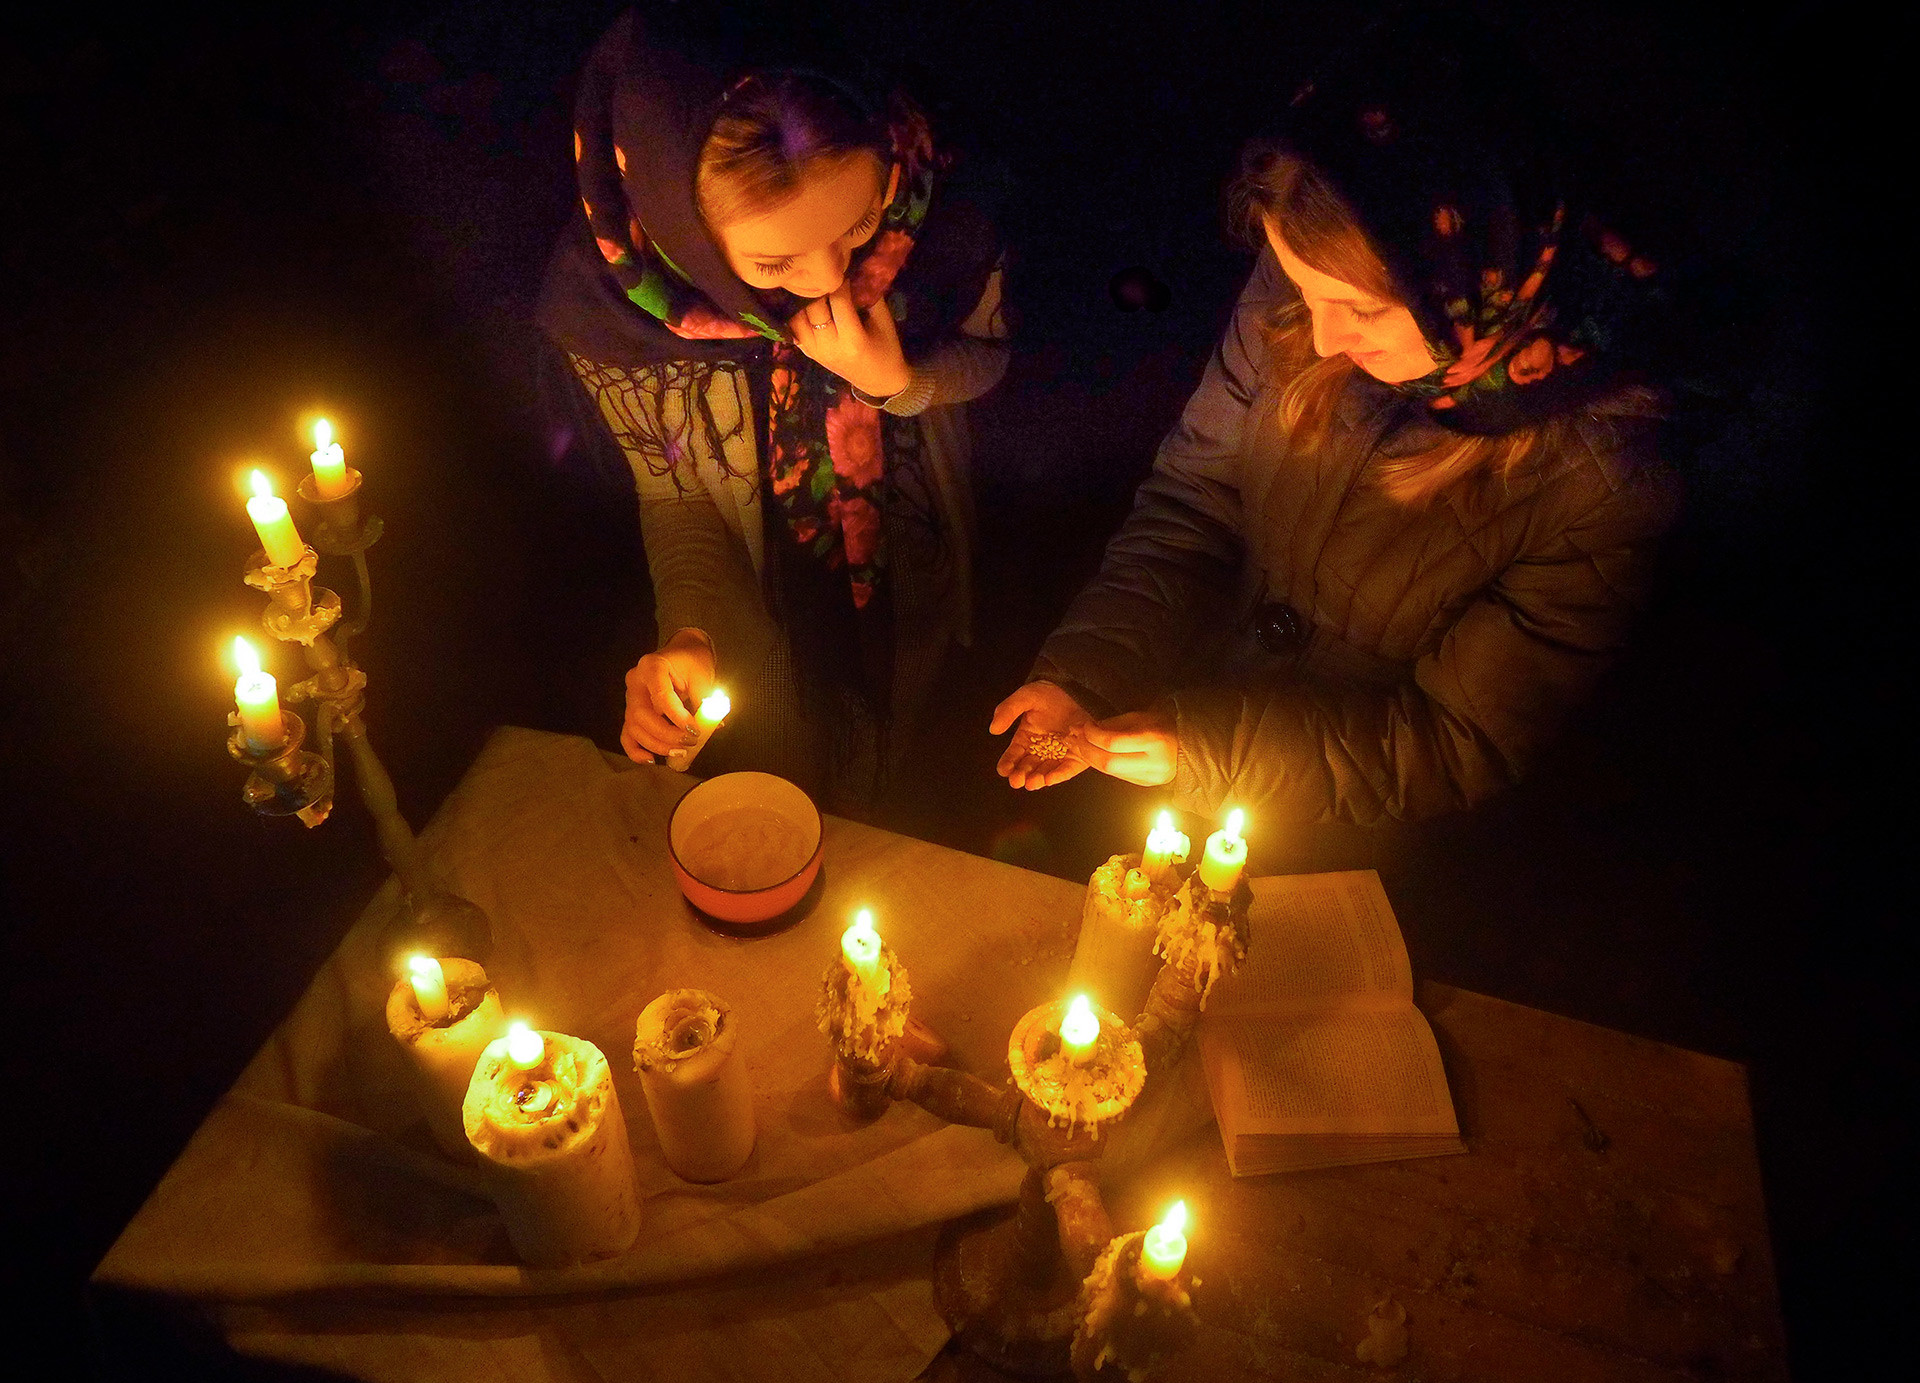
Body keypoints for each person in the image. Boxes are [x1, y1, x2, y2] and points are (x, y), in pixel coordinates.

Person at [992, 19, 1683, 828]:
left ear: (1481, 283)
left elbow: (1458, 739)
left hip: (1337, 830)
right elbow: (1192, 504)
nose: (1321, 337)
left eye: (1359, 308)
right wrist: (1087, 676)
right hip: (1177, 755)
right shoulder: (1302, 287)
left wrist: (1208, 748)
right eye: (1301, 288)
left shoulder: (1602, 476)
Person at [539, 7, 1008, 813]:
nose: (831, 281)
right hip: (759, 632)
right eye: (773, 261)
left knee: (912, 790)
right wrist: (691, 632)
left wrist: (898, 380)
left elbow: (989, 358)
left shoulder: (948, 208)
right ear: (681, 229)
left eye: (860, 224)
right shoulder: (615, 308)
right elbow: (677, 491)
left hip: (916, 588)